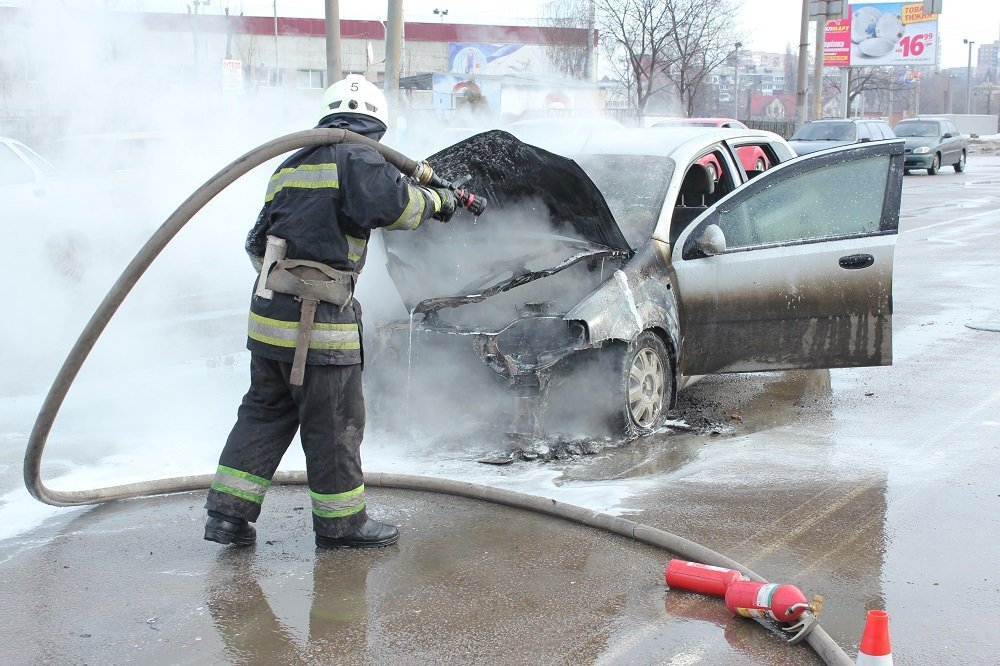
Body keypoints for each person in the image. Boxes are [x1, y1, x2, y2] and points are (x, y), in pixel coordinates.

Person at [203, 75, 457, 549]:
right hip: (320, 327)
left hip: (268, 322)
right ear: (376, 122)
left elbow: (256, 246)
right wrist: (440, 200)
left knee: (264, 413)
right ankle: (343, 525)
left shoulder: (290, 163)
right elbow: (396, 207)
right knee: (335, 422)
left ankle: (227, 516)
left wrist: (289, 277)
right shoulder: (358, 155)